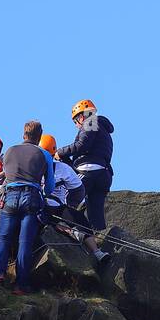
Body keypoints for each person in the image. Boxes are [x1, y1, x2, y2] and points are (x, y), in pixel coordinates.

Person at [0, 121, 55, 294]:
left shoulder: (10, 151)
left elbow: (6, 176)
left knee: (3, 237)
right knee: (25, 242)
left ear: (23, 135)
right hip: (31, 196)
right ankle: (21, 284)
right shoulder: (44, 154)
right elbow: (50, 185)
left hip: (10, 195)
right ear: (39, 137)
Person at [39, 134, 110, 265]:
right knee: (65, 219)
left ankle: (96, 251)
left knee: (78, 218)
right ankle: (75, 234)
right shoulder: (34, 167)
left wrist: (70, 203)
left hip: (56, 207)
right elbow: (78, 189)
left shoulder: (61, 168)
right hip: (39, 205)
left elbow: (78, 189)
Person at [57, 99, 114, 231]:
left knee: (67, 197)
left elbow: (82, 145)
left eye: (75, 122)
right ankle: (98, 238)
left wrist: (60, 153)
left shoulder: (91, 121)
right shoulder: (103, 130)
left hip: (89, 171)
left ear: (81, 116)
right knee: (95, 212)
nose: (76, 126)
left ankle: (61, 226)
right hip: (104, 174)